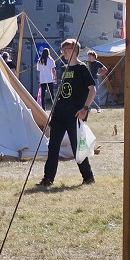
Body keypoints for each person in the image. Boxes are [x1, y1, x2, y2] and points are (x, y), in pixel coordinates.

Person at [38, 39, 96, 187]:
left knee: (77, 146)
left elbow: (92, 90)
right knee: (53, 146)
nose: (63, 52)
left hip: (74, 114)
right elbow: (61, 92)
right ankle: (48, 178)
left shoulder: (82, 69)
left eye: (67, 49)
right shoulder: (63, 69)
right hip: (59, 114)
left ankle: (88, 176)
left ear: (75, 50)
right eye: (62, 50)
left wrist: (85, 109)